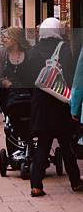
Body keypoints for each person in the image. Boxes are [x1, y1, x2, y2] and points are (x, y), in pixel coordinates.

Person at [28, 18, 82, 197]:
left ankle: (36, 185)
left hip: (41, 104)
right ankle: (75, 182)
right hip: (60, 102)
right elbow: (72, 76)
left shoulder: (34, 50)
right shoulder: (65, 49)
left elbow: (29, 78)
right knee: (66, 144)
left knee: (42, 145)